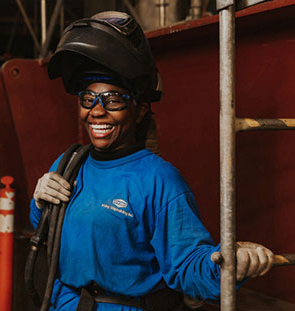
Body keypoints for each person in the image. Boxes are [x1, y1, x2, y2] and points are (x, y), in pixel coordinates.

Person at [29, 11, 274, 311]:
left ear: (140, 110)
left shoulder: (160, 181)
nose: (96, 110)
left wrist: (228, 262)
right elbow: (47, 230)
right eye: (88, 98)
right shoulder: (70, 164)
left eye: (113, 99)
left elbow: (187, 266)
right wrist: (40, 202)